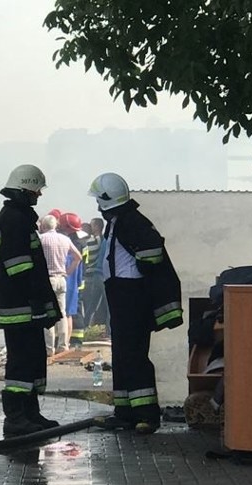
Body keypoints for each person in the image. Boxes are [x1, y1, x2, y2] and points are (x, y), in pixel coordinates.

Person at [88, 172, 183, 434]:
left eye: (98, 200)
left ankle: (146, 415)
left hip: (131, 296)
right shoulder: (120, 221)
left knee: (134, 356)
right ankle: (125, 412)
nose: (96, 205)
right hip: (121, 295)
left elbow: (151, 252)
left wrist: (140, 271)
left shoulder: (131, 221)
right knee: (122, 356)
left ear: (106, 200)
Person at [0, 164, 61, 436]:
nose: (38, 195)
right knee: (20, 362)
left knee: (33, 359)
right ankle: (15, 417)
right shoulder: (13, 218)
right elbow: (20, 268)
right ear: (24, 189)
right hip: (20, 307)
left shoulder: (20, 217)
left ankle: (31, 413)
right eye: (36, 190)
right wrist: (38, 301)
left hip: (28, 307)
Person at [38, 214, 81, 356]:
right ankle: (64, 346)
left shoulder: (41, 239)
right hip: (62, 280)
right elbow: (78, 257)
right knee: (62, 313)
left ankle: (49, 348)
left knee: (48, 313)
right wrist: (67, 272)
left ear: (43, 226)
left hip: (47, 280)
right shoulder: (65, 239)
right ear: (56, 225)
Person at [58, 212, 88, 349]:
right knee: (74, 311)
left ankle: (73, 340)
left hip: (71, 280)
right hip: (79, 279)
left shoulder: (69, 242)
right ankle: (75, 340)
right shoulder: (82, 241)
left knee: (69, 311)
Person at [82, 217, 109, 333]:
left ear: (97, 226)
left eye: (92, 225)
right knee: (108, 305)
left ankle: (85, 326)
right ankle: (109, 331)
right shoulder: (104, 240)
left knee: (92, 304)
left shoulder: (97, 240)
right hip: (103, 275)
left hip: (96, 275)